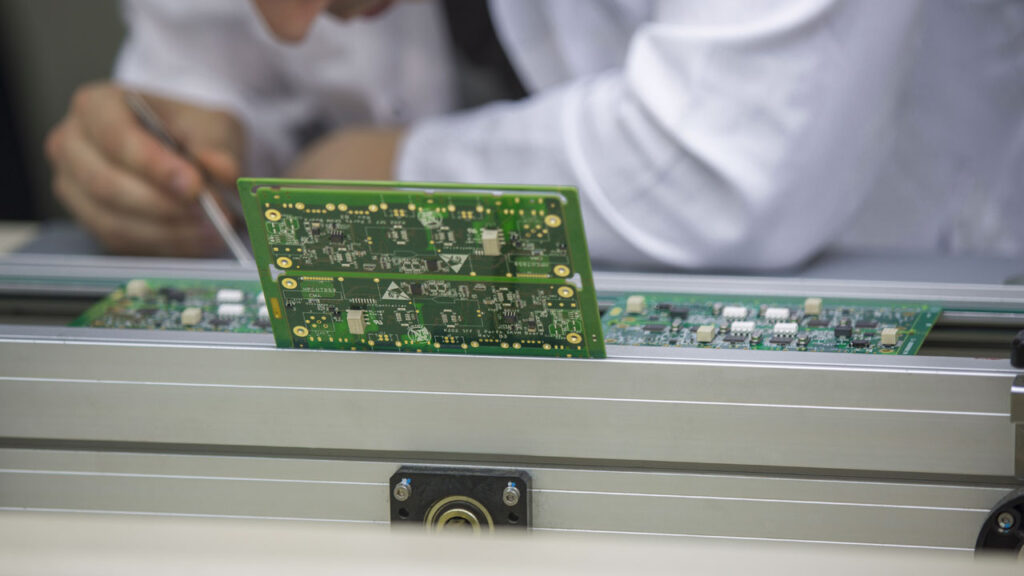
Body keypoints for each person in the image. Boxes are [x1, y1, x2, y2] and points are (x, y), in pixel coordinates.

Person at [45, 0, 1024, 268]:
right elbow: (212, 73)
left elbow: (727, 166)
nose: (291, 23)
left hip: (913, 320)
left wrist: (386, 179)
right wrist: (177, 156)